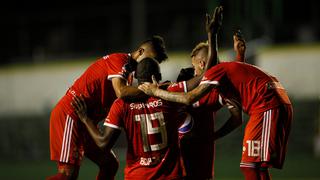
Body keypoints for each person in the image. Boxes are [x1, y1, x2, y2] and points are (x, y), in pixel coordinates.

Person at [138, 11, 293, 180]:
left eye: (195, 66)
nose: (194, 72)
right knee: (256, 168)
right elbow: (237, 116)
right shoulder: (226, 77)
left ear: (202, 64)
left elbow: (190, 98)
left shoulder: (215, 73)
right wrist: (212, 137)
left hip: (267, 105)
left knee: (250, 166)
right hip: (274, 102)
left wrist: (155, 91)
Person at [47, 35, 168, 180]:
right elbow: (121, 92)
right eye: (151, 58)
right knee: (68, 175)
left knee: (110, 165)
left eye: (155, 62)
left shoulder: (127, 77)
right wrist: (156, 90)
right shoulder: (120, 61)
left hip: (85, 120)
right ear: (141, 51)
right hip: (71, 113)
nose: (151, 64)